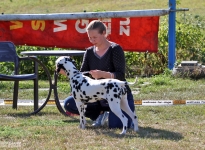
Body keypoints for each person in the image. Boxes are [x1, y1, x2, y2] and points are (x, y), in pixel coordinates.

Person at [59, 20, 135, 128]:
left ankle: (119, 117)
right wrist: (68, 74)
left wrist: (103, 74)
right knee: (69, 103)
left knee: (116, 125)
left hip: (115, 92)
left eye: (95, 37)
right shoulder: (89, 52)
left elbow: (121, 75)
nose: (92, 40)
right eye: (90, 37)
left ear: (104, 33)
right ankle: (100, 115)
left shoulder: (115, 49)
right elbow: (82, 75)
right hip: (95, 94)